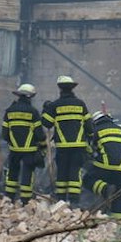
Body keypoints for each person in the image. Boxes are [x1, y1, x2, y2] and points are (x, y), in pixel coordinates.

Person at [41, 75, 91, 204]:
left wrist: (45, 108)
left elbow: (46, 123)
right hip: (79, 146)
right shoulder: (81, 104)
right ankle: (74, 201)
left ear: (60, 89)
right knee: (75, 172)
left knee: (62, 172)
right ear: (72, 89)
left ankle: (61, 199)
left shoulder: (56, 105)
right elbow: (89, 126)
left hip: (62, 146)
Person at [1, 84, 46, 203]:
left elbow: (4, 133)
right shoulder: (33, 112)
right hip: (29, 151)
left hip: (14, 150)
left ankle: (9, 198)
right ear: (30, 97)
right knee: (27, 174)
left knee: (12, 174)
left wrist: (13, 143)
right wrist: (43, 146)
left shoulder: (9, 111)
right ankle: (25, 200)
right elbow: (39, 134)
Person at [89, 108, 121, 211]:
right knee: (119, 194)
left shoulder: (96, 130)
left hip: (105, 166)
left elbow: (90, 148)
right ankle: (118, 220)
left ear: (96, 121)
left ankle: (105, 189)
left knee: (88, 179)